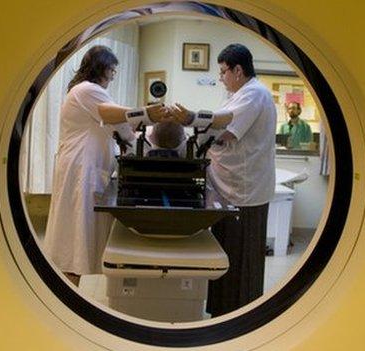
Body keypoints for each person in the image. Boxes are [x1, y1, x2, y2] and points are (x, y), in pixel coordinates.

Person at [43, 45, 169, 286]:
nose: (113, 75)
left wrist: (151, 133)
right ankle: (69, 286)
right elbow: (111, 115)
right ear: (101, 68)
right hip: (81, 168)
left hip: (87, 166)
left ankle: (74, 282)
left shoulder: (91, 92)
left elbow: (123, 130)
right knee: (76, 236)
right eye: (111, 70)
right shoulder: (87, 89)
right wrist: (147, 113)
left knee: (83, 234)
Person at [170, 43, 277, 317]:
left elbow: (226, 131)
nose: (221, 78)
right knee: (226, 255)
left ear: (238, 70)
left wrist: (191, 119)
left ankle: (237, 315)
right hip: (232, 187)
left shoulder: (254, 94)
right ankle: (222, 310)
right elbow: (218, 125)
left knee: (240, 260)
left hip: (244, 191)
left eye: (223, 72)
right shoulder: (239, 94)